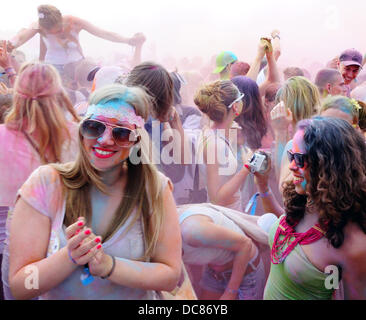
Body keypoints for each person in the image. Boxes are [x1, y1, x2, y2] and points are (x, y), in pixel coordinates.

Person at [7, 84, 182, 300]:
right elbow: (21, 286)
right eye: (94, 127)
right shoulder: (46, 183)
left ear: (135, 140)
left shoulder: (153, 187)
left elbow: (170, 276)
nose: (105, 140)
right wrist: (68, 257)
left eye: (121, 133)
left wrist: (110, 266)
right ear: (82, 130)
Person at [260, 117, 366, 299]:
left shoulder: (353, 243)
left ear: (330, 166)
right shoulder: (304, 199)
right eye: (291, 156)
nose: (292, 166)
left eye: (300, 159)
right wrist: (263, 187)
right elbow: (292, 236)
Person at [0, 61, 80, 299]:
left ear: (17, 96)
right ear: (58, 94)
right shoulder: (78, 135)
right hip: (66, 241)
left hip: (16, 242)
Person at [5, 5, 145, 83]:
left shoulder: (74, 22)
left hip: (78, 66)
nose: (60, 31)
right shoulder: (38, 26)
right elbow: (20, 37)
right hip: (53, 69)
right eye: (55, 31)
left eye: (60, 27)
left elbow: (103, 33)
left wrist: (128, 41)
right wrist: (8, 45)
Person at [178, 203, 271, 300]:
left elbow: (245, 245)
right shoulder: (167, 237)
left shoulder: (192, 231)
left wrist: (231, 291)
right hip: (214, 273)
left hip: (246, 273)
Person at [194, 80, 249, 211]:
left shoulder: (209, 132)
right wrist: (247, 167)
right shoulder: (214, 144)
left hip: (230, 213)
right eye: (240, 99)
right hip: (226, 217)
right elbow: (216, 199)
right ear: (235, 106)